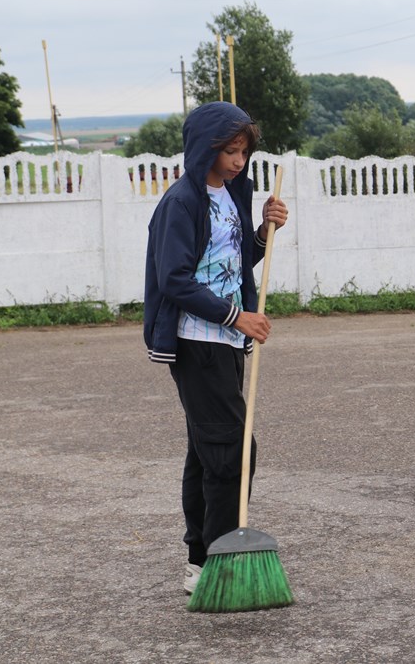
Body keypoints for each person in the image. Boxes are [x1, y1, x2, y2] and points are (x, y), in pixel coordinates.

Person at [143, 101, 288, 594]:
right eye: (230, 150)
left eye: (244, 151)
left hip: (227, 342)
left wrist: (265, 233)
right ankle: (222, 559)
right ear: (205, 147)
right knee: (232, 451)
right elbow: (175, 280)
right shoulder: (181, 203)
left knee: (207, 453)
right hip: (196, 342)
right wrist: (236, 316)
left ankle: (199, 561)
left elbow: (234, 259)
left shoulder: (230, 193)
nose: (238, 161)